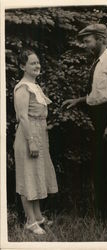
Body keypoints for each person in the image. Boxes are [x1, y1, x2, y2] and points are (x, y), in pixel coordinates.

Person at [62, 24, 107, 222]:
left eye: (88, 41)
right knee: (102, 166)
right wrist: (78, 100)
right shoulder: (97, 62)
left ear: (101, 39)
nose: (85, 45)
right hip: (98, 116)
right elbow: (98, 95)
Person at [13, 49, 58, 234]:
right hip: (27, 136)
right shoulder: (22, 87)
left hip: (39, 134)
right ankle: (30, 221)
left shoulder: (35, 86)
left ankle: (38, 217)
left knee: (36, 175)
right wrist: (31, 141)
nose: (37, 66)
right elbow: (23, 116)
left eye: (38, 62)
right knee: (27, 177)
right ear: (22, 66)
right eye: (32, 63)